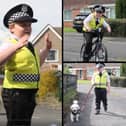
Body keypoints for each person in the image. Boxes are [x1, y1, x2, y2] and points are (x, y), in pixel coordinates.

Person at [0, 3, 52, 126]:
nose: (28, 28)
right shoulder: (10, 44)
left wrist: (46, 49)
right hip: (15, 93)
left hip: (29, 93)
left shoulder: (28, 46)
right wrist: (16, 47)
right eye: (23, 25)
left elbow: (37, 64)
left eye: (29, 25)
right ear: (11, 27)